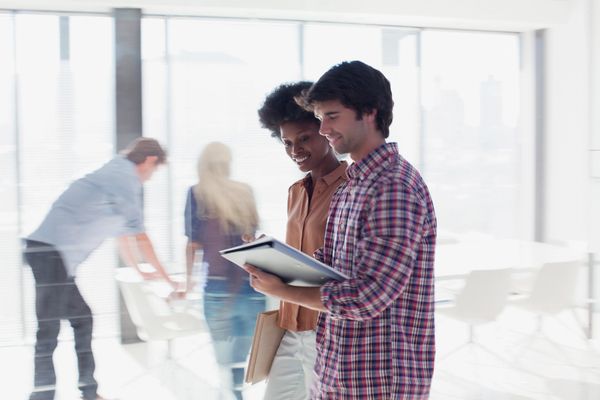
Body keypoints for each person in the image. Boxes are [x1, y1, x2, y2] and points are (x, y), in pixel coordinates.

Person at [244, 61, 437, 399]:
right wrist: (272, 262)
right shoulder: (354, 187)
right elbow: (331, 274)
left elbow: (366, 297)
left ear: (369, 113)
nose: (324, 129)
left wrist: (283, 289)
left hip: (377, 378)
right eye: (320, 118)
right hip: (339, 369)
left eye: (331, 117)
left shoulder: (393, 186)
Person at [23, 137, 178, 400]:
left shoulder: (115, 174)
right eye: (154, 171)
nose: (150, 178)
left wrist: (141, 272)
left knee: (82, 320)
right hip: (49, 255)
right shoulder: (124, 179)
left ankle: (88, 392)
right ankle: (42, 396)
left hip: (54, 258)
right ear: (150, 161)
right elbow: (141, 237)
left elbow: (124, 234)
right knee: (48, 330)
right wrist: (169, 280)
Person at [257, 82, 348, 399]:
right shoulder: (295, 192)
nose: (295, 149)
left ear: (326, 131)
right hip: (290, 326)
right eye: (287, 143)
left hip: (327, 330)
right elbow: (300, 256)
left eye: (304, 138)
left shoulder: (350, 188)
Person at [184, 142, 265, 400]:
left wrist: (188, 283)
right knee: (243, 359)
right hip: (251, 285)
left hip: (217, 288)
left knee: (224, 360)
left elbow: (193, 245)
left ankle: (232, 395)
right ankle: (238, 393)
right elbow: (253, 239)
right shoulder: (245, 192)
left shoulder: (197, 194)